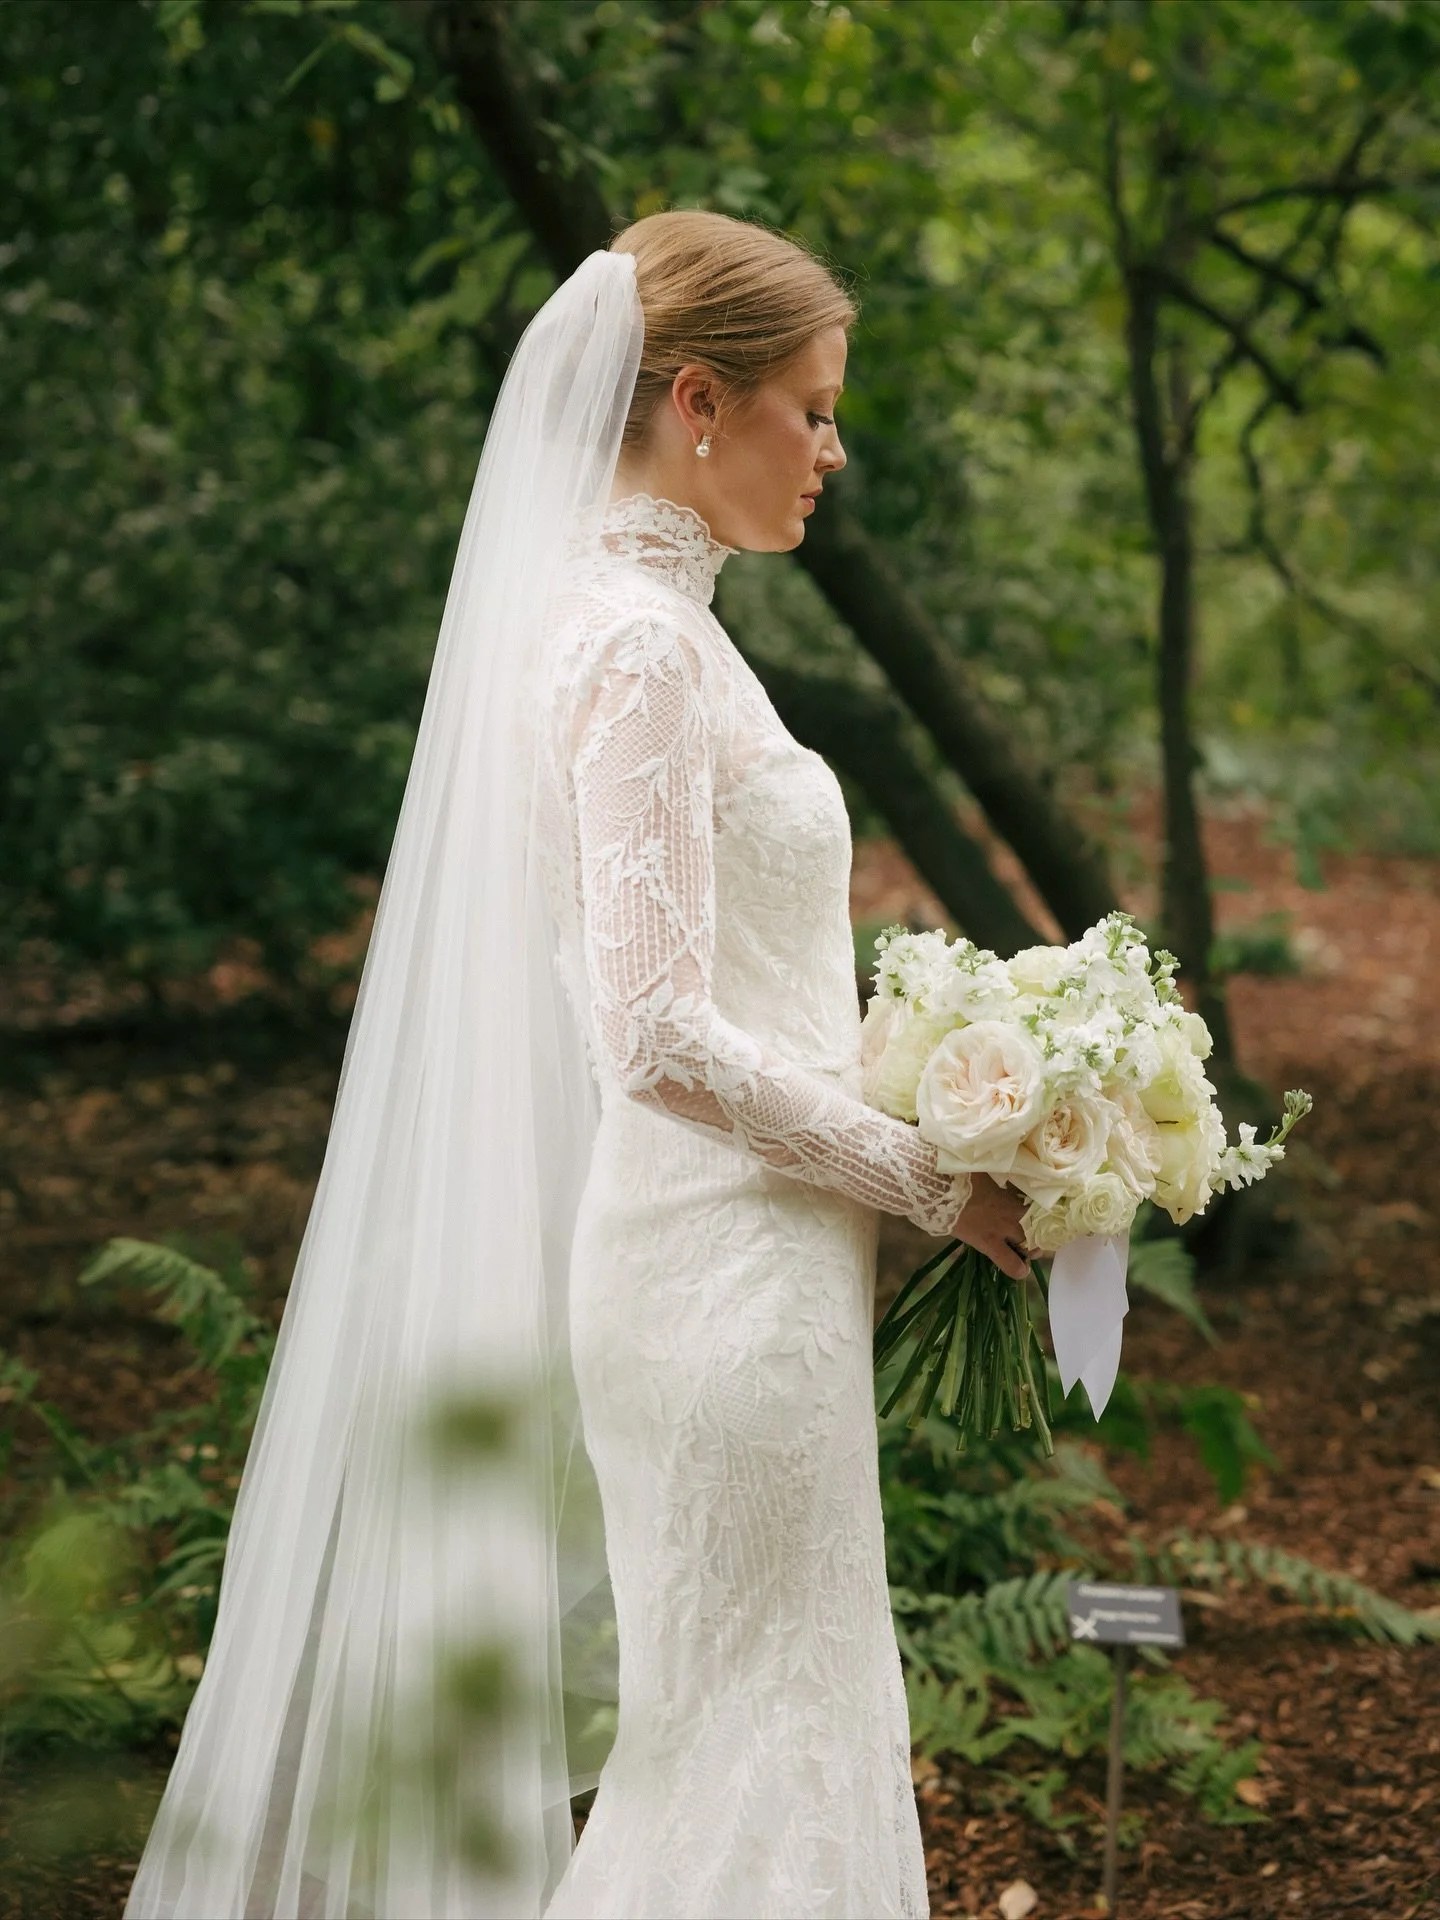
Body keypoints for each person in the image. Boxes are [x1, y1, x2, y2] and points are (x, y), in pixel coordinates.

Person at [122, 209, 1029, 1920]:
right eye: (812, 409)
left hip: (757, 1260)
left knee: (760, 1724)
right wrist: (935, 1180)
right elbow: (657, 1032)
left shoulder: (646, 630)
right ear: (698, 401)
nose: (833, 451)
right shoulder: (635, 650)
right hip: (724, 1274)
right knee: (755, 1735)